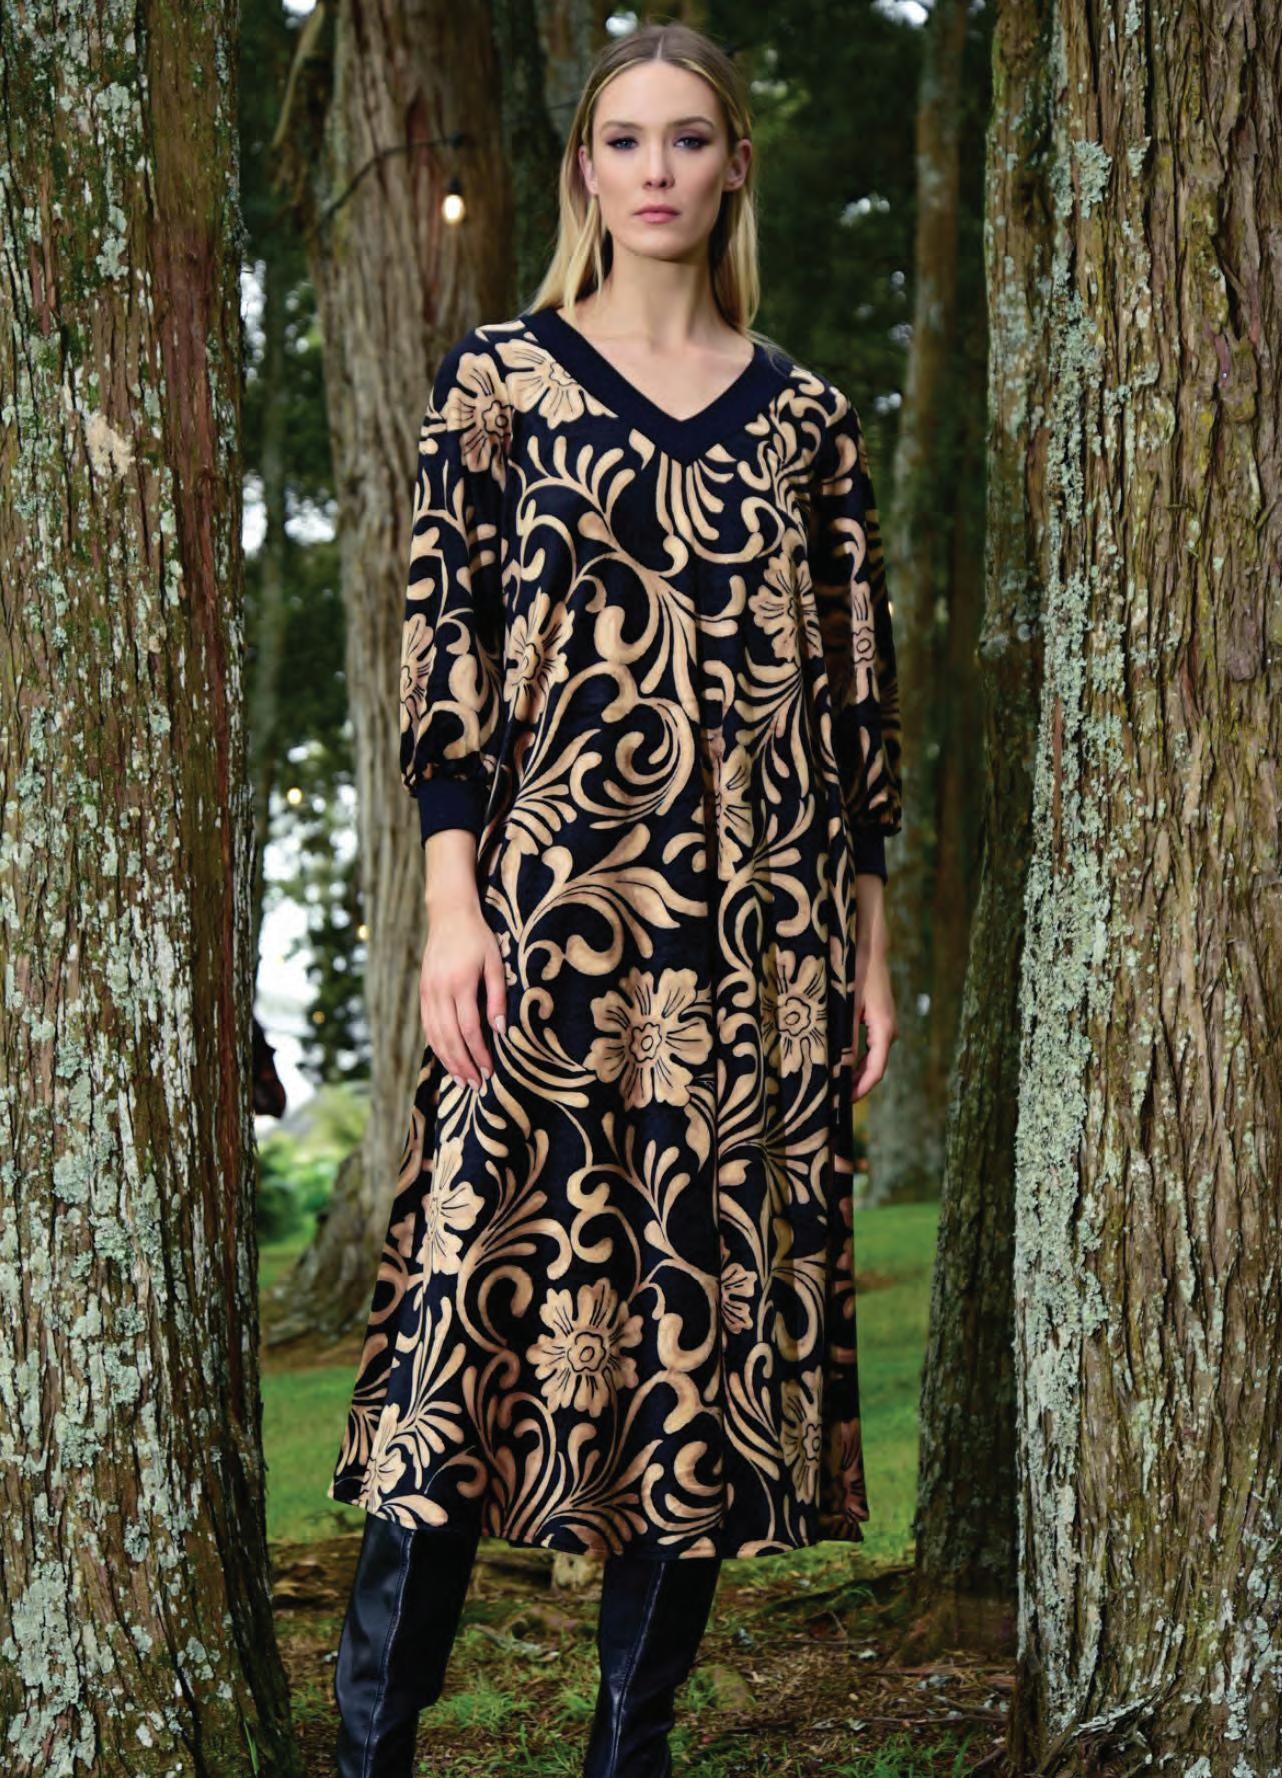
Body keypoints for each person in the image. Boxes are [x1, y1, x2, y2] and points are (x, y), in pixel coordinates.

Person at [328, 18, 901, 1776]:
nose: (657, 169)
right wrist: (451, 906)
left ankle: (625, 1751)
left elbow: (853, 702)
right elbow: (441, 651)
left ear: (733, 167)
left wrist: (867, 951)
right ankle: (371, 1751)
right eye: (627, 139)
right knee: (462, 1323)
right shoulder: (497, 382)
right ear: (585, 168)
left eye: (690, 138)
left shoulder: (805, 418)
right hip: (546, 928)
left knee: (702, 1351)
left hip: (760, 945)